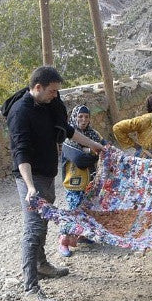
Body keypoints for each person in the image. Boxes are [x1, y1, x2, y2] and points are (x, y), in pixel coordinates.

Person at [2, 66, 105, 301]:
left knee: (44, 223)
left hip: (47, 175)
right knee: (33, 227)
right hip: (30, 176)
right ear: (38, 88)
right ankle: (30, 292)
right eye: (52, 91)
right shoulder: (20, 113)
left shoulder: (50, 105)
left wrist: (97, 146)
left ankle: (41, 264)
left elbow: (69, 132)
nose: (56, 96)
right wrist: (29, 187)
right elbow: (21, 153)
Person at [59, 104, 106, 257]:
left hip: (91, 182)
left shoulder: (94, 134)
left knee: (88, 209)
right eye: (80, 116)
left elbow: (106, 149)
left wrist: (91, 151)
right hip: (74, 183)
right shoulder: (68, 136)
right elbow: (79, 160)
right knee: (74, 212)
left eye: (86, 117)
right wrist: (94, 152)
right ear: (74, 117)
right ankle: (64, 241)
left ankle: (83, 235)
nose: (83, 120)